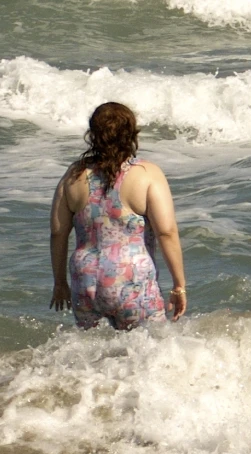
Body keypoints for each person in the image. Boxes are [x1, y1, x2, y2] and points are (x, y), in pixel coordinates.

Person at [50, 102, 187, 329]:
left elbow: (58, 232)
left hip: (84, 279)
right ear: (131, 134)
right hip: (130, 280)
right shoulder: (147, 173)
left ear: (93, 134)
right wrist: (179, 285)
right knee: (151, 349)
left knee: (92, 354)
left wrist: (59, 283)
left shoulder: (73, 175)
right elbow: (166, 231)